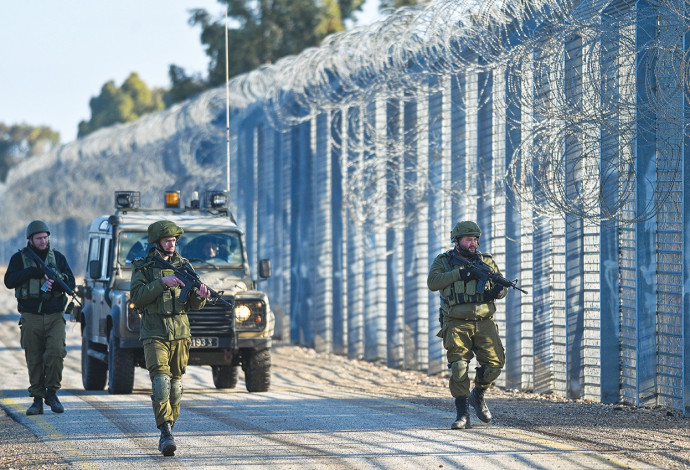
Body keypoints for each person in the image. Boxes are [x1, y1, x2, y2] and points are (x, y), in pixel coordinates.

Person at [130, 220, 211, 456]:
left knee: (176, 386)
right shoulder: (143, 267)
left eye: (174, 240)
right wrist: (161, 283)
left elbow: (193, 304)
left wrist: (201, 296)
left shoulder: (184, 265)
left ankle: (169, 429)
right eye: (167, 240)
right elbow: (136, 297)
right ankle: (165, 432)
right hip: (154, 331)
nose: (172, 243)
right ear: (156, 243)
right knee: (161, 381)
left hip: (180, 332)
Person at [427, 221, 508, 430]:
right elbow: (433, 283)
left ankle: (478, 395)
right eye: (468, 240)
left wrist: (499, 291)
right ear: (457, 241)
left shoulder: (486, 261)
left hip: (484, 322)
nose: (472, 244)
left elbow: (499, 283)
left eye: (475, 240)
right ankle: (462, 414)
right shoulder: (444, 261)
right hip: (456, 322)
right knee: (459, 367)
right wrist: (460, 274)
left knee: (494, 365)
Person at [4, 220, 75, 415]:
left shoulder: (57, 258)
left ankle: (52, 392)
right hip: (31, 315)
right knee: (34, 357)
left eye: (45, 237)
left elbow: (71, 283)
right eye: (39, 238)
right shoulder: (19, 259)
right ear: (30, 239)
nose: (43, 241)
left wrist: (56, 281)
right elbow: (9, 281)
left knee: (56, 352)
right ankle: (37, 399)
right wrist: (32, 273)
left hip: (54, 314)